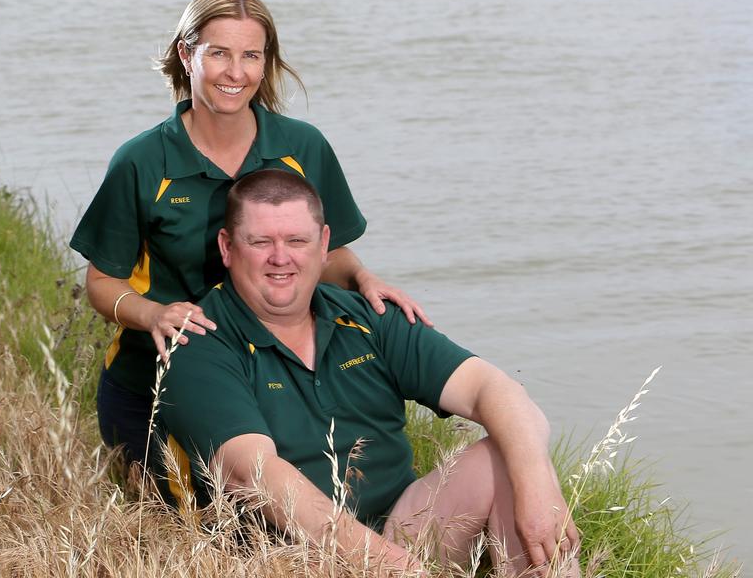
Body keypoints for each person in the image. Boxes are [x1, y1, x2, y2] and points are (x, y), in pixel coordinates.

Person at [155, 169, 580, 576]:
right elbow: (252, 472)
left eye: (297, 240)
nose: (280, 257)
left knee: (506, 454)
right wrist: (390, 566)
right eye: (261, 241)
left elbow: (493, 388)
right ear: (228, 247)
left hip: (402, 534)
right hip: (292, 558)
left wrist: (540, 491)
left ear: (324, 245)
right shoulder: (198, 341)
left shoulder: (366, 316)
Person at [69, 0, 429, 464]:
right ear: (186, 54)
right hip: (153, 387)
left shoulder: (303, 147)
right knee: (184, 530)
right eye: (218, 53)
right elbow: (100, 282)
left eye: (251, 56)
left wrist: (363, 279)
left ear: (266, 63)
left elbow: (325, 254)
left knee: (283, 521)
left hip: (274, 388)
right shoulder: (141, 162)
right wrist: (153, 315)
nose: (235, 73)